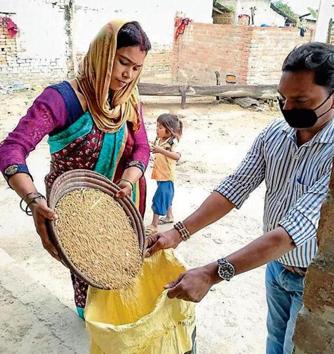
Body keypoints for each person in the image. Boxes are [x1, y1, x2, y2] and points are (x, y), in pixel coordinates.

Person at [145, 42, 334, 354]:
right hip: (277, 271)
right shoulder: (275, 134)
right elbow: (233, 189)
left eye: (301, 100)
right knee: (274, 344)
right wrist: (178, 233)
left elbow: (289, 235)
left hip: (314, 282)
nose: (287, 109)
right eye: (282, 98)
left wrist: (210, 273)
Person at [0, 20, 151, 319]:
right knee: (88, 278)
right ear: (103, 52)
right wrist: (33, 199)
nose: (127, 75)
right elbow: (11, 149)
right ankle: (93, 324)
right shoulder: (63, 100)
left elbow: (142, 148)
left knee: (121, 269)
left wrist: (128, 179)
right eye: (123, 62)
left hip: (117, 204)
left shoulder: (127, 101)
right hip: (72, 210)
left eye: (136, 68)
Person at [145, 113, 182, 236]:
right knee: (167, 196)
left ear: (170, 130)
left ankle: (154, 225)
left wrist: (160, 150)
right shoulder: (159, 139)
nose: (157, 130)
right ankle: (169, 216)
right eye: (157, 127)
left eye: (160, 128)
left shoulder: (173, 142)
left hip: (167, 176)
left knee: (159, 198)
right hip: (159, 174)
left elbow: (177, 156)